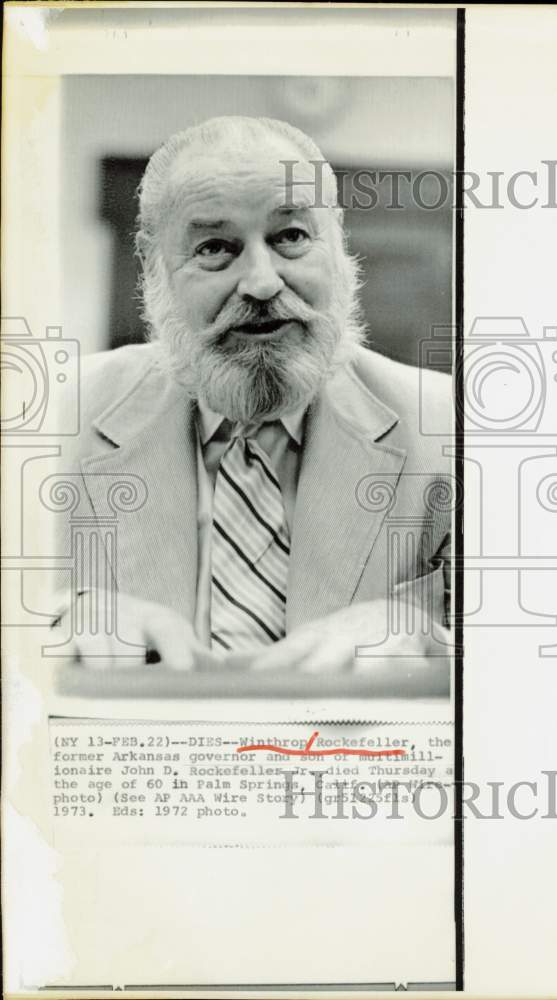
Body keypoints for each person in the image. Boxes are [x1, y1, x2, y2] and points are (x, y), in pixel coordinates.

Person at [53, 115, 453, 676]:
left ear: (339, 250)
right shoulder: (44, 425)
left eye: (291, 237)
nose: (262, 283)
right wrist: (55, 622)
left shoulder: (454, 434)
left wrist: (427, 639)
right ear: (153, 270)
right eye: (216, 247)